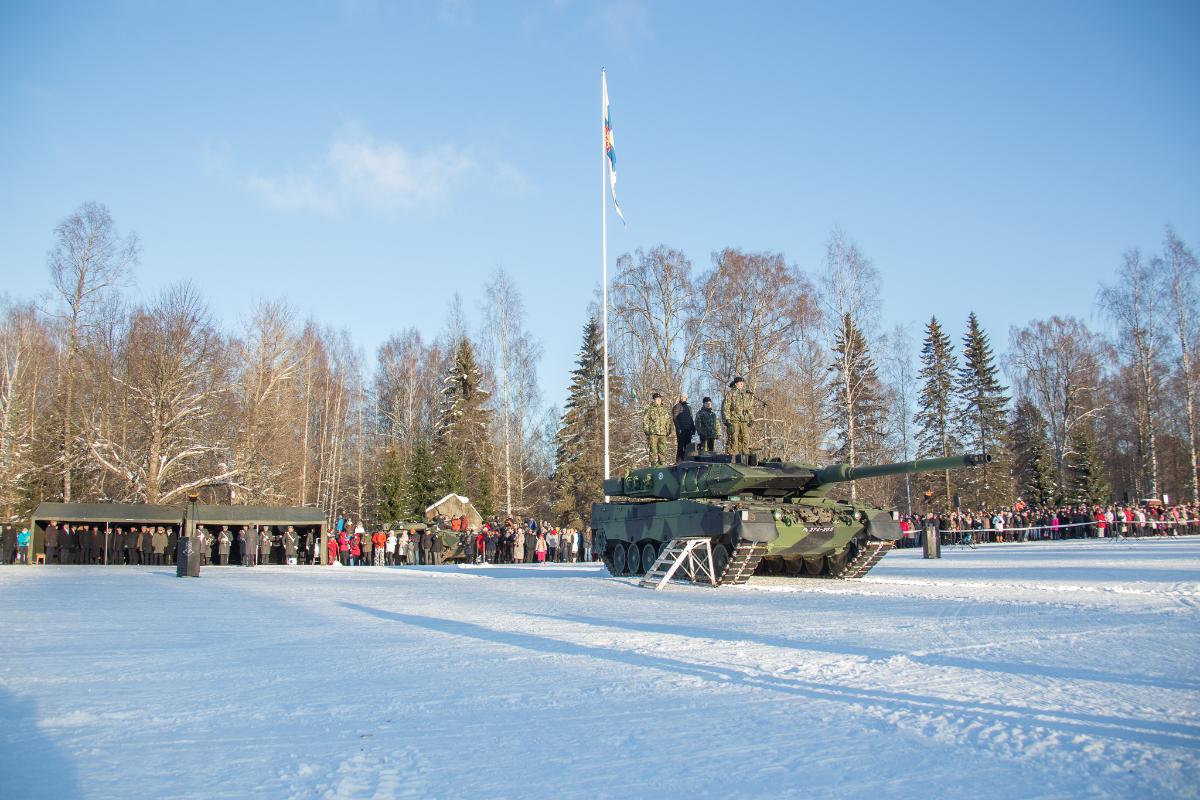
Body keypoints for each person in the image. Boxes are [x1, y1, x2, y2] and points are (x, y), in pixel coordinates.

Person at [721, 376, 755, 457]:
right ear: (736, 384)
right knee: (734, 438)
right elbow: (726, 406)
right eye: (740, 383)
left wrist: (751, 418)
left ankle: (745, 455)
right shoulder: (731, 393)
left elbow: (749, 407)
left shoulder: (746, 394)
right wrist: (727, 419)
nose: (742, 384)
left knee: (745, 437)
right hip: (734, 419)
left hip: (744, 420)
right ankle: (734, 455)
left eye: (743, 383)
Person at [642, 392, 672, 465]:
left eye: (659, 399)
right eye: (657, 399)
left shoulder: (664, 409)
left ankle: (662, 465)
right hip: (653, 433)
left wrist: (668, 430)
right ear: (654, 400)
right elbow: (645, 420)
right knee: (653, 450)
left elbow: (668, 421)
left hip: (663, 433)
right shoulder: (649, 409)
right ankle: (653, 465)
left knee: (663, 450)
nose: (658, 400)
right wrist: (646, 431)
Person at [672, 393, 696, 462]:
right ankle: (679, 460)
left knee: (688, 446)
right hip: (681, 429)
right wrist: (678, 428)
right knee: (681, 445)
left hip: (688, 429)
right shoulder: (677, 406)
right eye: (681, 397)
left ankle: (687, 460)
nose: (682, 398)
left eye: (684, 397)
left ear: (686, 398)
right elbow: (675, 418)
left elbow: (691, 418)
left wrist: (693, 428)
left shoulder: (689, 408)